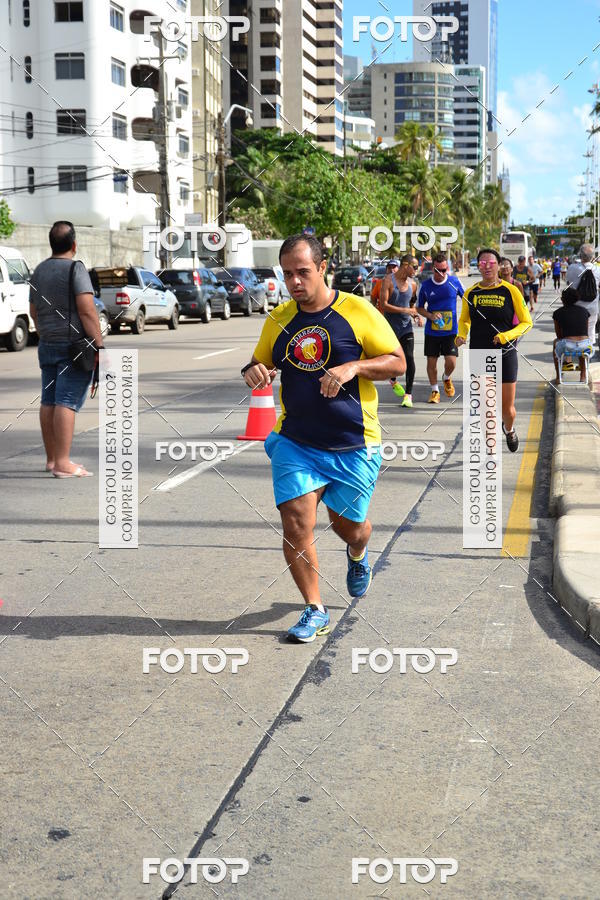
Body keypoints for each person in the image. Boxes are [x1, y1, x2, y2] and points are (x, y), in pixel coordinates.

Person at [242, 234, 406, 643]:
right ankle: (314, 608)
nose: (295, 282)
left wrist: (353, 367)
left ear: (322, 267)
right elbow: (258, 362)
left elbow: (397, 362)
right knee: (297, 522)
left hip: (354, 442)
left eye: (303, 272)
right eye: (288, 274)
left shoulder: (357, 310)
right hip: (295, 440)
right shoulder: (279, 319)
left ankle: (358, 552)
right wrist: (253, 371)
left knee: (349, 527)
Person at [29, 221, 103, 478]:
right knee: (67, 401)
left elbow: (34, 312)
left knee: (49, 400)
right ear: (74, 244)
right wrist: (100, 345)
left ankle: (52, 459)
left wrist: (46, 333)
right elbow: (86, 309)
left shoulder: (39, 270)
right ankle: (63, 463)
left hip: (46, 344)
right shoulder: (75, 268)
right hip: (73, 347)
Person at [456, 248, 533, 453]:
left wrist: (506, 336)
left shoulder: (511, 290)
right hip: (480, 354)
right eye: (482, 263)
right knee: (487, 407)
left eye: (491, 263)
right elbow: (464, 319)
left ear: (499, 266)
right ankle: (490, 449)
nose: (487, 267)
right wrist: (461, 334)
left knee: (508, 409)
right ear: (478, 266)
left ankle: (509, 429)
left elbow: (526, 323)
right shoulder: (471, 292)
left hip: (506, 354)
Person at [416, 252, 464, 404]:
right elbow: (419, 308)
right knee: (431, 363)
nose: (442, 273)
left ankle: (446, 378)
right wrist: (430, 316)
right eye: (438, 270)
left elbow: (468, 301)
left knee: (451, 362)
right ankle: (435, 390)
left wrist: (465, 326)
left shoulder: (454, 282)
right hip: (432, 332)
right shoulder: (425, 286)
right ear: (433, 269)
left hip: (451, 332)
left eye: (444, 270)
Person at [379, 254, 422, 408]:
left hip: (406, 328)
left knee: (409, 358)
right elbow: (383, 305)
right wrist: (405, 309)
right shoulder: (388, 281)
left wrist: (415, 314)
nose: (417, 270)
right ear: (405, 265)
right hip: (390, 328)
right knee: (392, 360)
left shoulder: (413, 284)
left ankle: (408, 395)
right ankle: (392, 379)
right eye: (415, 267)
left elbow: (412, 304)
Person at [552, 287, 592, 383]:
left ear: (562, 299)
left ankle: (558, 377)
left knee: (555, 343)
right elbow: (584, 331)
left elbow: (559, 336)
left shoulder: (557, 313)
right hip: (585, 345)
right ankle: (583, 376)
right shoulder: (584, 311)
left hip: (568, 345)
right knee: (581, 345)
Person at [565, 243, 599, 351]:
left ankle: (577, 352)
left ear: (580, 255)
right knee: (591, 330)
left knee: (576, 331)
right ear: (593, 256)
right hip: (593, 307)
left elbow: (568, 282)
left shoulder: (572, 268)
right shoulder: (598, 269)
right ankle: (589, 352)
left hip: (576, 307)